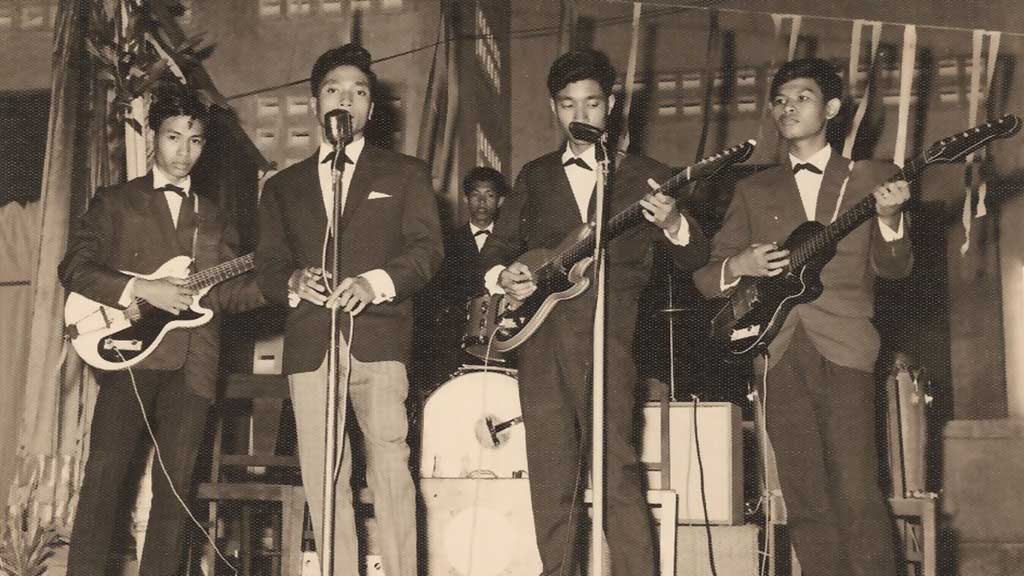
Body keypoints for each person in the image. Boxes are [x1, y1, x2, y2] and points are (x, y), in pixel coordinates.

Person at [479, 49, 709, 576]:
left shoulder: (651, 176)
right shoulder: (535, 176)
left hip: (611, 339)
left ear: (612, 105)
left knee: (616, 470)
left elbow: (695, 255)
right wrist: (505, 276)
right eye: (567, 105)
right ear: (553, 110)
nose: (580, 115)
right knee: (550, 473)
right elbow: (495, 252)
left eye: (592, 103)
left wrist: (674, 222)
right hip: (540, 339)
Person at [693, 57, 912, 576]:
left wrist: (892, 219)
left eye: (803, 97)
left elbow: (897, 270)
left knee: (857, 487)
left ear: (832, 109)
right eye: (781, 100)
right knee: (804, 492)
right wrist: (737, 265)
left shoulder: (874, 178)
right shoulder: (753, 189)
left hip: (847, 345)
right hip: (777, 350)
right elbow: (705, 277)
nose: (788, 107)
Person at [59, 86, 265, 575]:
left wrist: (284, 286)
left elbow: (224, 295)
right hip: (129, 352)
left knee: (176, 495)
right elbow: (74, 267)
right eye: (173, 137)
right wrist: (142, 288)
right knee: (105, 479)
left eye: (194, 141)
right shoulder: (117, 202)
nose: (183, 152)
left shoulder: (215, 217)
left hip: (194, 363)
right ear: (152, 137)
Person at [255, 43, 442, 576]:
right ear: (315, 104)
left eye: (360, 92)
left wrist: (376, 281)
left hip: (380, 340)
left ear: (371, 109)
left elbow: (427, 251)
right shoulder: (283, 187)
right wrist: (292, 279)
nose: (347, 99)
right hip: (312, 345)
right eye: (335, 89)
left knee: (391, 468)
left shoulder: (405, 173)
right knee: (323, 476)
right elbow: (267, 268)